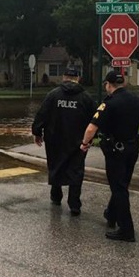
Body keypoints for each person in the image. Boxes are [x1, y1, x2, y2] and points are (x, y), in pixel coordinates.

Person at [80, 70, 139, 242]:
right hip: (132, 148)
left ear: (108, 85)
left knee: (118, 188)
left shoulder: (109, 103)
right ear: (124, 83)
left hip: (115, 151)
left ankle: (126, 230)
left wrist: (85, 144)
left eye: (106, 84)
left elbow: (91, 128)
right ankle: (111, 214)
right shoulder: (137, 101)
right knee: (122, 183)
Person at [31, 67, 97, 216]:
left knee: (56, 166)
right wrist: (92, 137)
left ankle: (56, 196)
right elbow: (95, 119)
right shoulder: (86, 98)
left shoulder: (53, 95)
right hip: (78, 141)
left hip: (55, 139)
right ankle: (74, 205)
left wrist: (37, 132)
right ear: (78, 78)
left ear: (63, 77)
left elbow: (42, 115)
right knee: (76, 170)